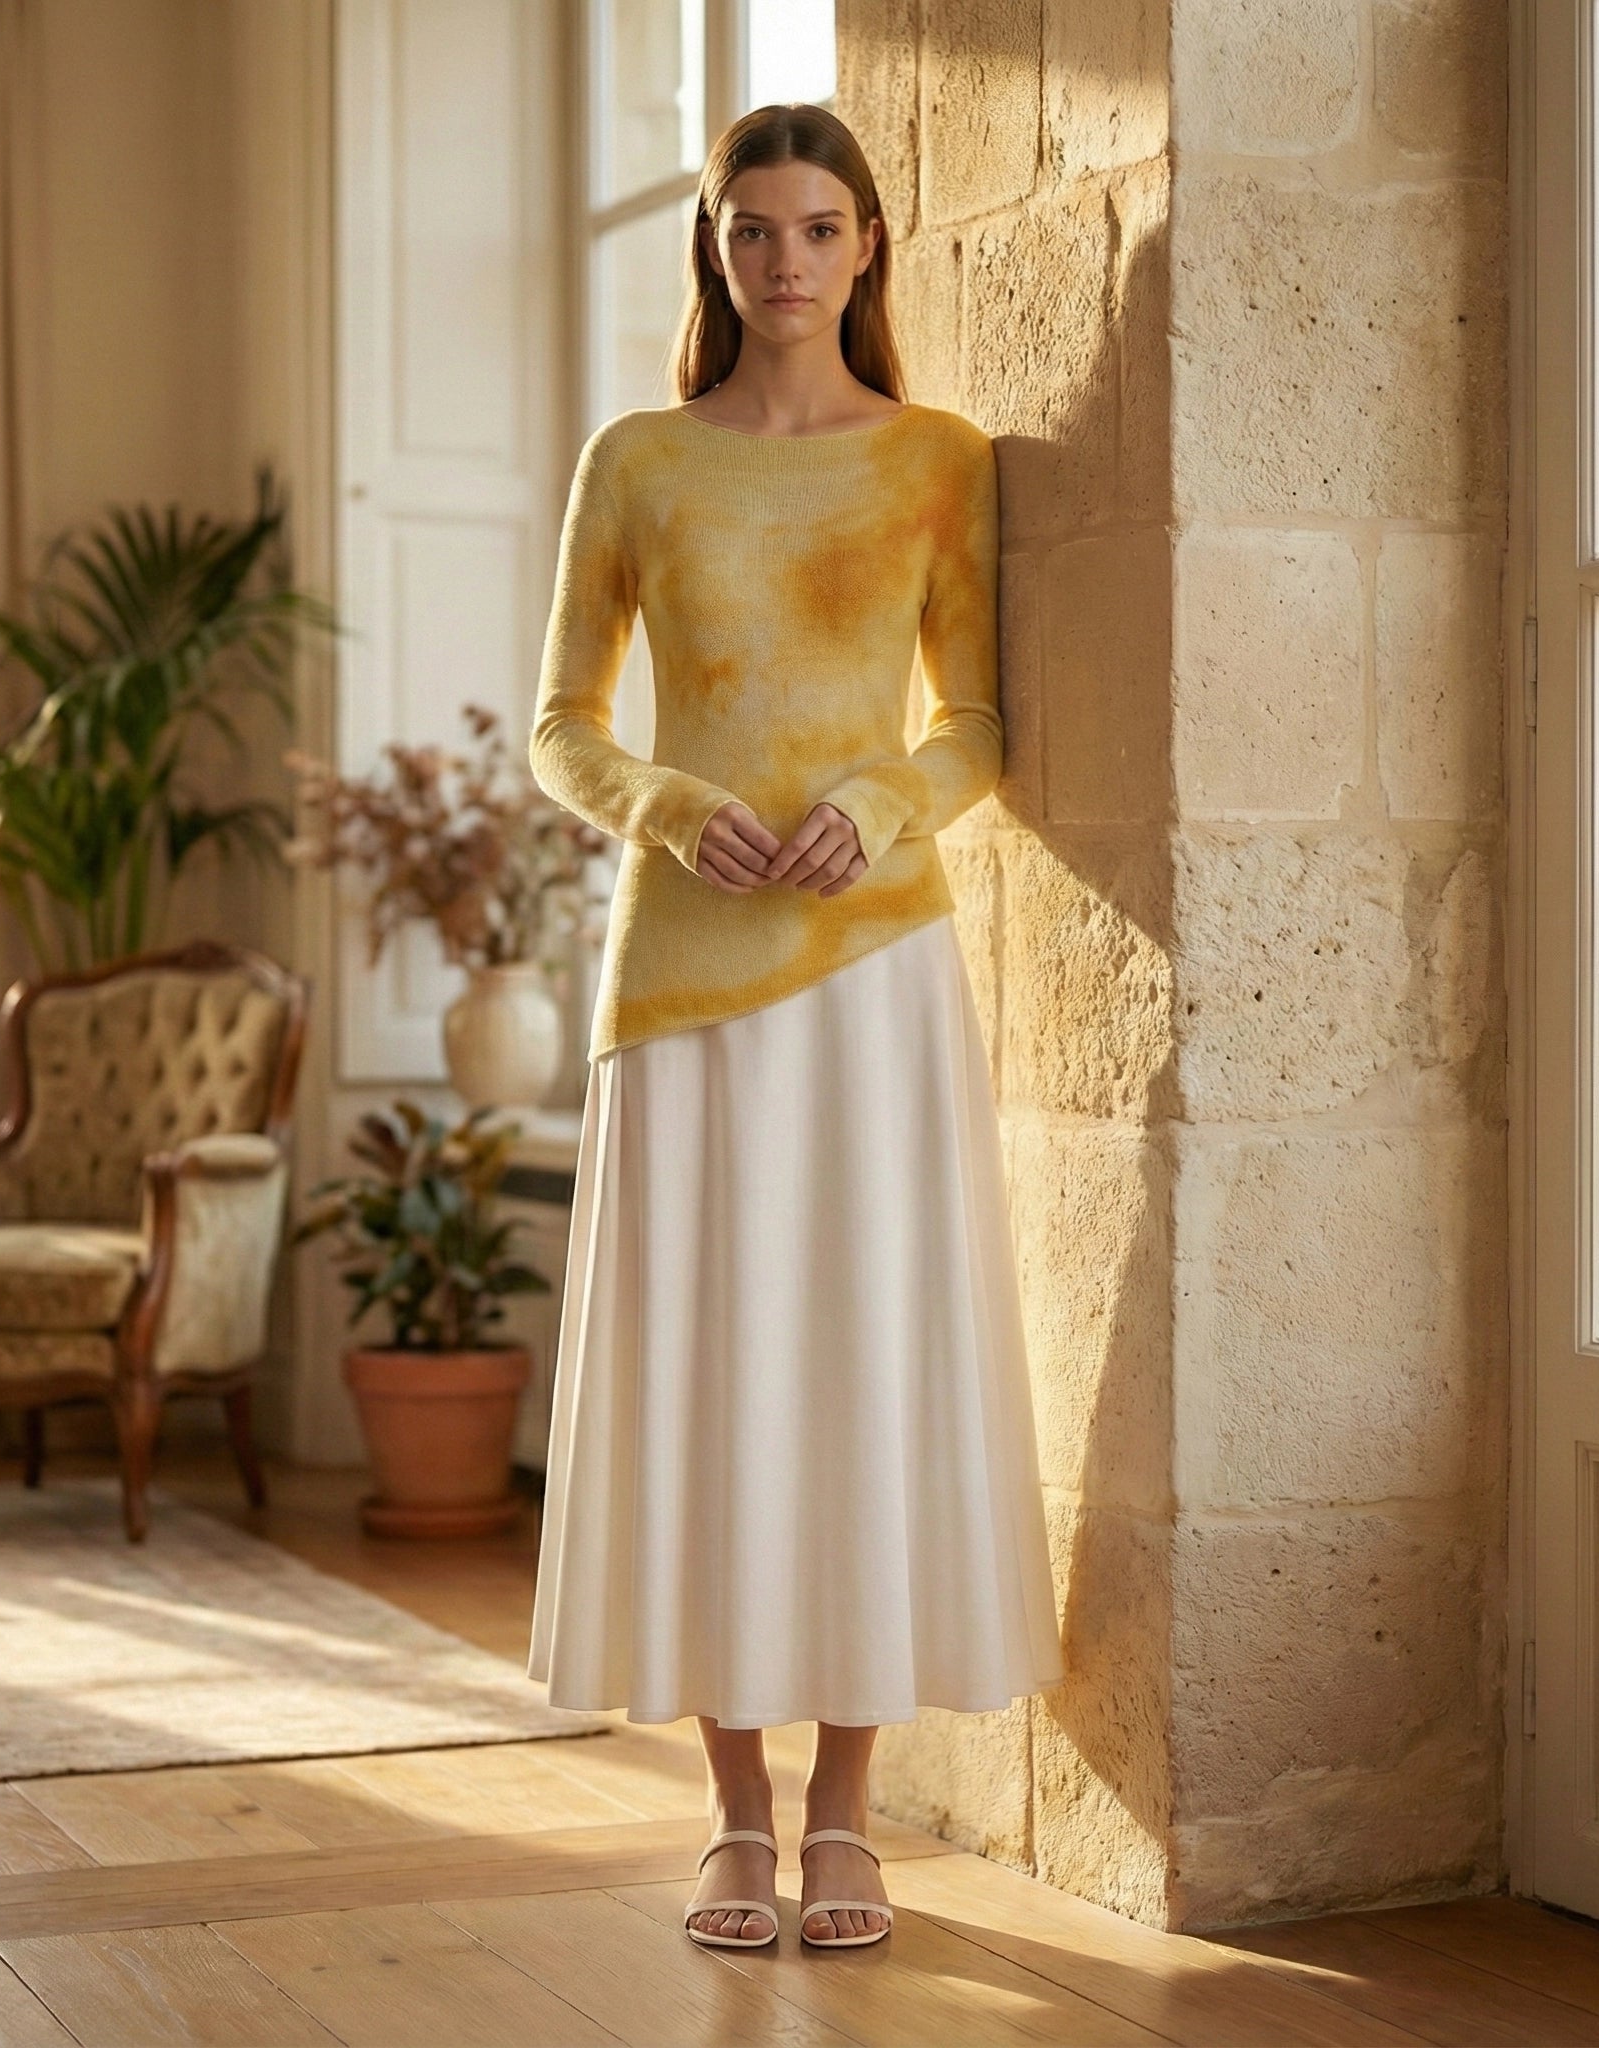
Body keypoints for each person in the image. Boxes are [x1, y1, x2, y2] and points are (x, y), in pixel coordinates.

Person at [523, 99, 1064, 1953]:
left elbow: (974, 728)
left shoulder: (941, 460)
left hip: (876, 979)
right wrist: (673, 807)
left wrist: (889, 808)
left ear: (868, 247)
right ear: (715, 248)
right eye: (753, 232)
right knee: (712, 1375)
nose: (785, 263)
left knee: (860, 1365)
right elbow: (561, 728)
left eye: (819, 228)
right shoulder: (641, 461)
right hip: (681, 981)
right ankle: (731, 1814)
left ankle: (848, 1811)